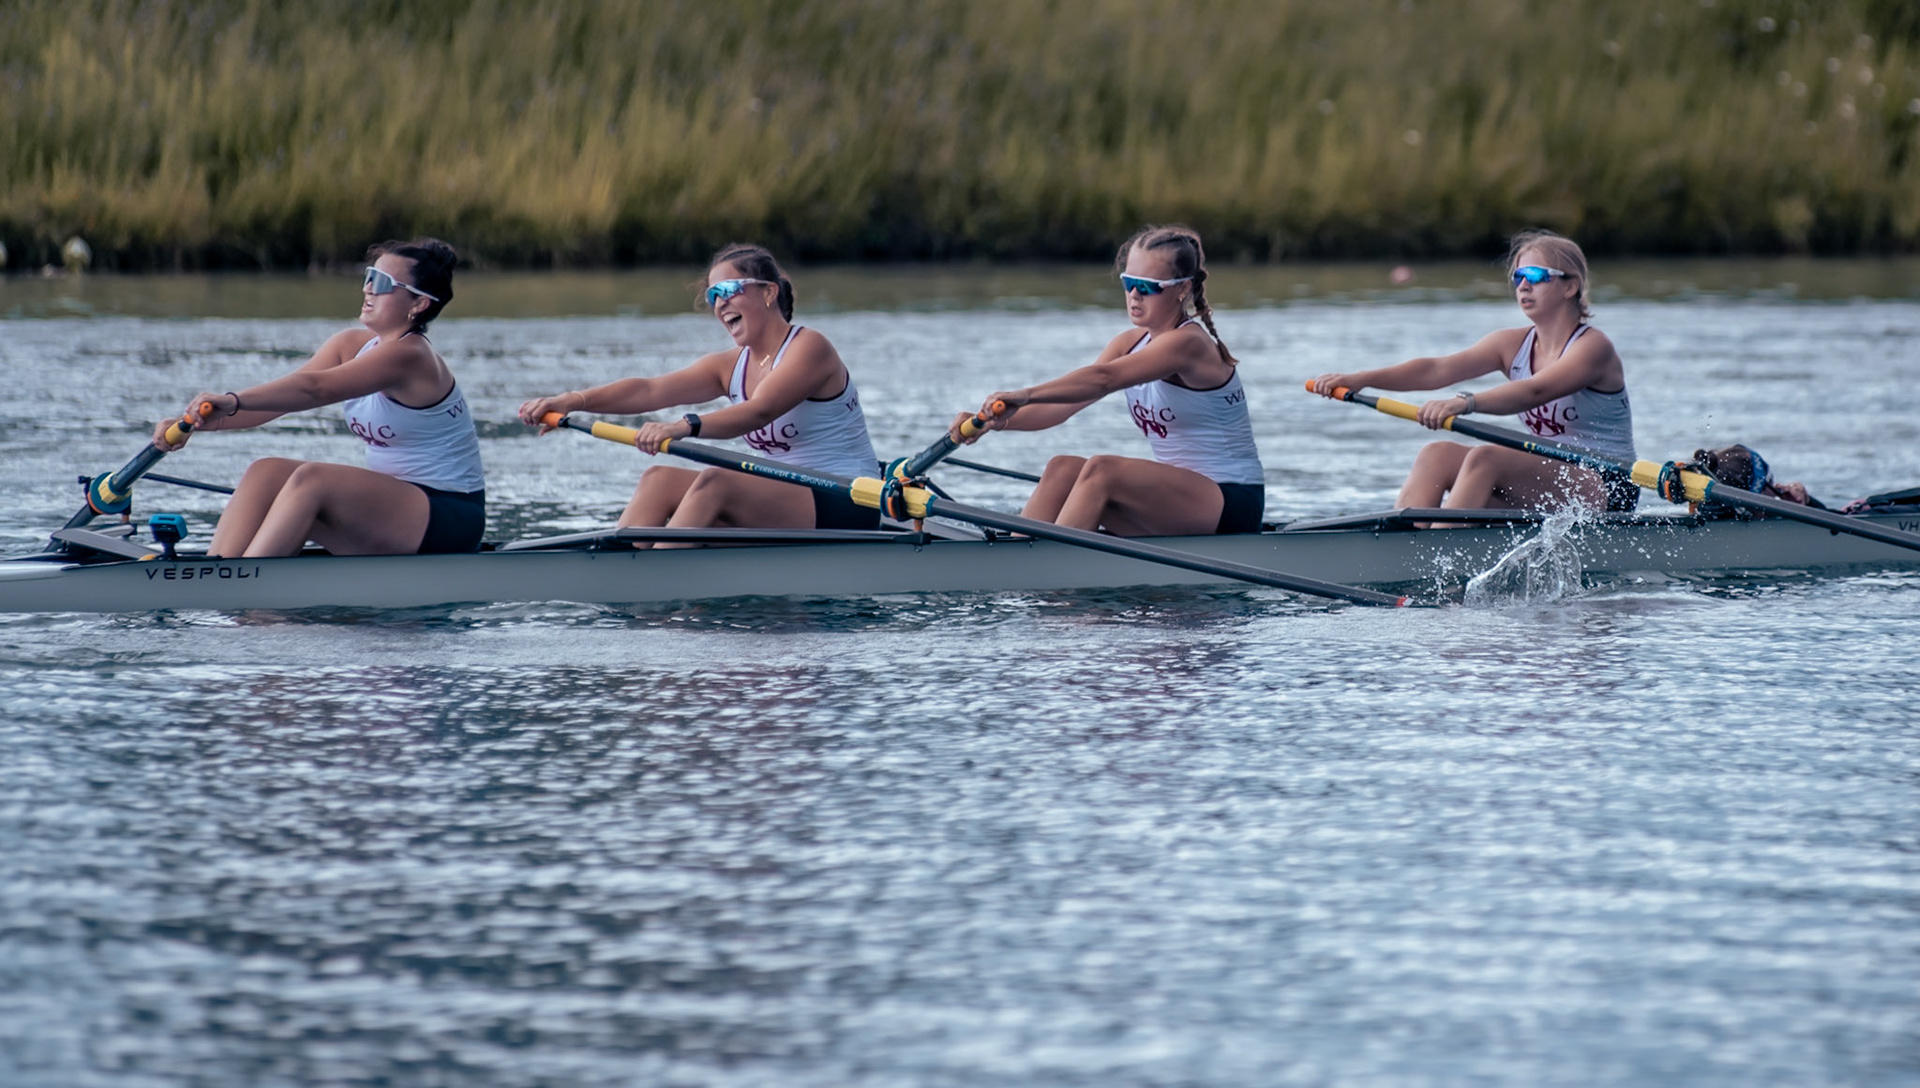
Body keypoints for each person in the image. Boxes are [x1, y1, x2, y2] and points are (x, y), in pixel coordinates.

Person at [151, 238, 483, 557]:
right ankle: (221, 569)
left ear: (419, 304)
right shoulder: (349, 345)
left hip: (448, 515)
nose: (368, 288)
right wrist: (191, 422)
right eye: (369, 276)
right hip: (393, 507)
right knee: (265, 472)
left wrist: (232, 399)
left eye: (382, 283)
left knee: (313, 480)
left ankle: (246, 582)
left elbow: (313, 389)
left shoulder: (411, 357)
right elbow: (276, 404)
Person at [517, 244, 878, 533]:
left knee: (716, 482)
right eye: (712, 295)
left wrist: (683, 426)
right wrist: (572, 400)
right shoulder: (729, 366)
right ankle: (621, 571)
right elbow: (649, 390)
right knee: (657, 479)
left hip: (848, 499)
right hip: (784, 498)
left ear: (769, 292)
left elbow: (760, 410)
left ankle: (652, 581)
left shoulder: (810, 348)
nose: (720, 304)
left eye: (728, 290)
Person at [952, 224, 1265, 536]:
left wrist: (1025, 394)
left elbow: (1103, 379)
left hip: (1231, 501)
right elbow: (1062, 406)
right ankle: (1019, 558)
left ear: (1182, 288)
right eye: (1128, 283)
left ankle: (1050, 564)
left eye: (1147, 286)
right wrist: (991, 420)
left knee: (1103, 471)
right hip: (1177, 501)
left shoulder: (1189, 344)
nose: (1134, 295)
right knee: (1062, 469)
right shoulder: (1128, 343)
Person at [1310, 230, 1635, 514]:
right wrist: (1360, 379)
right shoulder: (1509, 344)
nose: (1523, 286)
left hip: (1607, 483)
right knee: (1436, 455)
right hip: (1548, 477)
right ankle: (1404, 546)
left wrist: (1465, 403)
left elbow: (1535, 391)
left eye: (1535, 276)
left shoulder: (1593, 348)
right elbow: (1437, 369)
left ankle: (1441, 552)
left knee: (1487, 458)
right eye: (1517, 277)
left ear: (1570, 287)